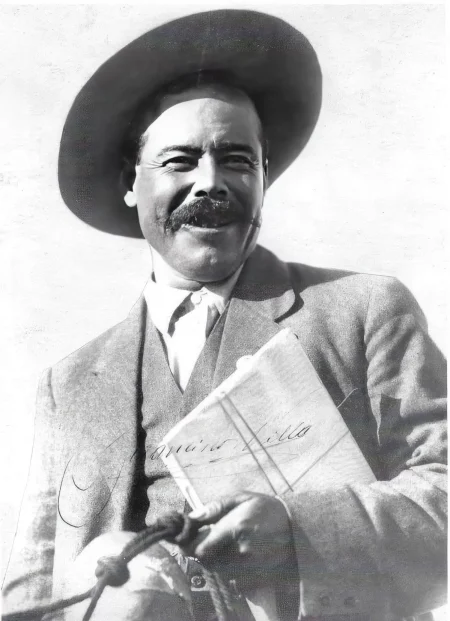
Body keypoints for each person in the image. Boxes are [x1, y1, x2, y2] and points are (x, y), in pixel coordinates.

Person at [3, 9, 446, 621]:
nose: (210, 182)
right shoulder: (69, 385)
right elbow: (32, 591)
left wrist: (299, 531)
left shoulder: (363, 312)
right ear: (131, 181)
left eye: (237, 159)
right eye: (179, 161)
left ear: (263, 177)